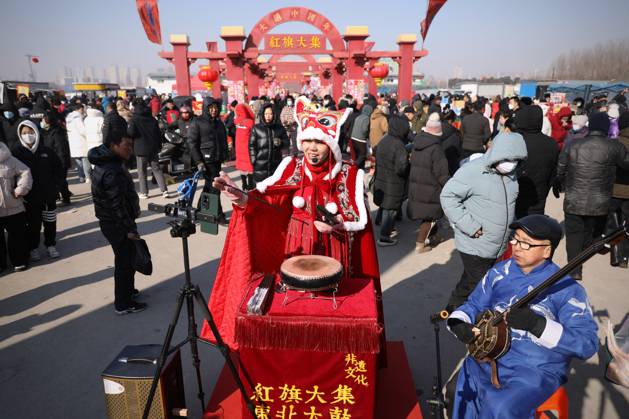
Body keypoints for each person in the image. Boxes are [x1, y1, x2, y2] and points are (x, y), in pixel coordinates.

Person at [203, 96, 381, 349]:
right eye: (307, 140)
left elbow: (358, 221)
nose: (311, 148)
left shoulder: (349, 175)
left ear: (331, 143)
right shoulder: (291, 168)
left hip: (337, 250)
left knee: (334, 310)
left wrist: (339, 223)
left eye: (319, 141)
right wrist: (240, 196)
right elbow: (269, 202)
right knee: (296, 307)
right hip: (295, 247)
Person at [447, 214, 598, 419]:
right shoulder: (501, 271)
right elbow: (474, 304)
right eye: (515, 239)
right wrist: (459, 322)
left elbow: (586, 344)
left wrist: (537, 325)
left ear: (547, 250)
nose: (516, 247)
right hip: (490, 358)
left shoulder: (568, 289)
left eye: (526, 243)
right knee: (457, 389)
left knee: (500, 407)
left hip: (535, 369)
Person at [440, 132, 528, 312]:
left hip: (498, 244)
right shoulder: (472, 171)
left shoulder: (511, 175)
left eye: (515, 159)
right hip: (475, 244)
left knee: (471, 281)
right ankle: (471, 323)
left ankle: (451, 309)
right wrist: (470, 226)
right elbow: (448, 196)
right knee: (482, 287)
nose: (511, 163)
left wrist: (513, 228)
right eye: (507, 158)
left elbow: (507, 205)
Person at [556, 112, 629, 280]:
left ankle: (574, 269)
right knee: (591, 232)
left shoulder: (573, 144)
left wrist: (559, 182)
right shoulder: (615, 146)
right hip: (601, 201)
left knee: (574, 234)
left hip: (574, 198)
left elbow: (561, 167)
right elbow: (626, 164)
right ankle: (583, 257)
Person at [89, 130, 146, 314]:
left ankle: (127, 291)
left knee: (125, 258)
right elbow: (117, 205)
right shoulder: (111, 170)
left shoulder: (108, 162)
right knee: (125, 261)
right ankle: (123, 303)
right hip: (117, 223)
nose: (130, 149)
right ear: (113, 145)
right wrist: (128, 228)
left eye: (130, 145)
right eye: (126, 145)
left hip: (112, 221)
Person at [13, 120, 64, 261]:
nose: (28, 135)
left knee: (50, 222)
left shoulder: (46, 151)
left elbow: (58, 170)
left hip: (48, 196)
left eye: (30, 132)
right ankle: (33, 248)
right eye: (24, 133)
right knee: (33, 225)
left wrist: (56, 187)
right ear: (19, 135)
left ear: (36, 133)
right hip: (29, 198)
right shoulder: (16, 153)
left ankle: (50, 245)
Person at [407, 113, 450, 252]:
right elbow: (441, 172)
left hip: (417, 184)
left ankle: (434, 236)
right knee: (430, 216)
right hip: (430, 186)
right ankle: (420, 244)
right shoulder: (436, 148)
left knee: (428, 212)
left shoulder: (417, 143)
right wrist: (449, 185)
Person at [513, 105, 560, 218]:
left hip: (517, 192)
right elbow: (554, 171)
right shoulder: (552, 143)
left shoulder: (517, 141)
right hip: (540, 193)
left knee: (516, 226)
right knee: (534, 224)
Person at [188, 99, 229, 222]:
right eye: (211, 107)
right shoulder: (197, 122)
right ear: (206, 108)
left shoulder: (219, 122)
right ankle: (217, 215)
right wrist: (198, 161)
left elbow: (223, 140)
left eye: (215, 107)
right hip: (206, 161)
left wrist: (225, 153)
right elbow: (191, 143)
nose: (214, 110)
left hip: (217, 159)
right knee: (215, 187)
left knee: (209, 187)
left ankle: (201, 210)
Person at [373, 115, 410, 246]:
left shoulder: (385, 140)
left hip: (382, 179)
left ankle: (380, 222)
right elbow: (401, 168)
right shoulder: (399, 145)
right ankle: (384, 237)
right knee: (390, 210)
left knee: (385, 204)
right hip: (393, 183)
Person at [127, 98, 171, 199]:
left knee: (142, 171)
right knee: (157, 169)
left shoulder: (134, 119)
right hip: (153, 148)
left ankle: (144, 192)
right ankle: (164, 191)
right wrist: (159, 146)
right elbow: (158, 134)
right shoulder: (152, 118)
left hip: (140, 148)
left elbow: (131, 133)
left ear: (134, 107)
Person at [0, 141, 32, 271]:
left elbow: (25, 172)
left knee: (17, 235)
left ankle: (19, 260)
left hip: (14, 205)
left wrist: (21, 189)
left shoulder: (9, 158)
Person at [249, 103, 288, 183]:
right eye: (266, 114)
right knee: (260, 191)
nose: (268, 116)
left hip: (276, 164)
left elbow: (287, 142)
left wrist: (281, 142)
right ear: (262, 114)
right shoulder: (256, 128)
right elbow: (251, 146)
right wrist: (254, 160)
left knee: (274, 189)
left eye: (270, 114)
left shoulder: (279, 128)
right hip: (260, 166)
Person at [610, 110, 629, 267]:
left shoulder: (615, 143)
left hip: (615, 189)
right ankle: (624, 258)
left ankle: (616, 254)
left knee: (615, 224)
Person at [40, 113, 72, 205]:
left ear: (49, 122)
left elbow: (61, 149)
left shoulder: (57, 133)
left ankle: (66, 198)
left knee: (61, 180)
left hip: (59, 161)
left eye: (43, 121)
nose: (42, 122)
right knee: (57, 180)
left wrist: (61, 163)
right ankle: (61, 196)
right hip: (51, 161)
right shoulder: (46, 132)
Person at [233, 103, 256, 190]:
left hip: (239, 148)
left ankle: (243, 184)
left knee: (242, 167)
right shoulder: (250, 122)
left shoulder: (236, 122)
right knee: (249, 166)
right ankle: (250, 184)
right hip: (247, 148)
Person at [66, 103, 89, 183]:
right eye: (83, 109)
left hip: (73, 141)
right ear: (80, 109)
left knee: (78, 161)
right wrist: (88, 135)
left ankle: (81, 177)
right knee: (85, 159)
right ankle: (88, 177)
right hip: (81, 141)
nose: (83, 111)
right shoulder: (78, 117)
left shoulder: (69, 116)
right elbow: (82, 130)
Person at [349, 104, 372, 169]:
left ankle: (359, 167)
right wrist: (367, 134)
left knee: (357, 154)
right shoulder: (366, 118)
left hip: (353, 137)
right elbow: (365, 129)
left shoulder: (359, 116)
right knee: (362, 155)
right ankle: (355, 166)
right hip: (361, 139)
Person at [440, 109, 462, 175]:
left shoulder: (434, 130)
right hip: (451, 166)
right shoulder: (456, 133)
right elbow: (458, 152)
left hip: (437, 163)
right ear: (451, 120)